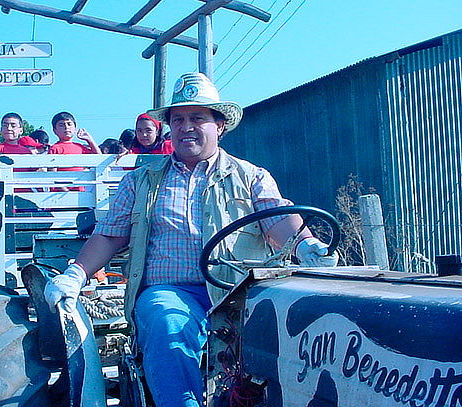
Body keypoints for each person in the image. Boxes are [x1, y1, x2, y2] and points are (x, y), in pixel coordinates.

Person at [43, 72, 338, 406]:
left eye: (198, 118)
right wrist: (77, 274)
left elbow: (278, 222)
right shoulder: (141, 181)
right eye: (178, 119)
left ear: (220, 126)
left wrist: (305, 245)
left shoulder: (251, 176)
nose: (186, 127)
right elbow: (110, 235)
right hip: (171, 290)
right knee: (167, 322)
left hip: (239, 291)